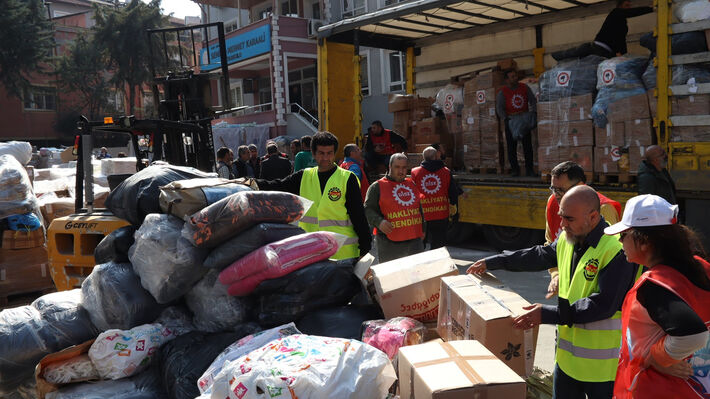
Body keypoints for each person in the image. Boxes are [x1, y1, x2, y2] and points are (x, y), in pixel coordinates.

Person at [467, 185, 640, 399]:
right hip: (567, 361)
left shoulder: (616, 250)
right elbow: (539, 255)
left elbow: (603, 305)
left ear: (593, 216)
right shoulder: (569, 239)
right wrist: (495, 261)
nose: (562, 224)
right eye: (561, 217)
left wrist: (546, 313)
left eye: (569, 219)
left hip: (604, 369)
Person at [604, 194, 710, 398]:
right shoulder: (701, 267)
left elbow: (693, 334)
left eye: (623, 235)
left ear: (644, 241)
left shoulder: (655, 285)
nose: (620, 242)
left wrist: (656, 358)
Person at [255, 131, 371, 260]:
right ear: (314, 154)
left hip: (344, 253)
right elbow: (277, 186)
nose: (326, 158)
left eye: (329, 153)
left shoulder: (347, 178)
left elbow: (358, 215)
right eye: (321, 153)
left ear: (335, 153)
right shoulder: (303, 176)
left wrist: (365, 248)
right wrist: (250, 182)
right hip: (311, 253)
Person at [546, 162, 623, 298]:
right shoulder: (553, 203)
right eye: (553, 189)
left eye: (561, 190)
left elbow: (613, 257)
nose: (557, 195)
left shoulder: (604, 209)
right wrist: (556, 274)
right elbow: (550, 243)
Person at [364, 153, 425, 263]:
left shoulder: (412, 184)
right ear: (389, 167)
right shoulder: (377, 187)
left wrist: (423, 230)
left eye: (404, 167)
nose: (401, 171)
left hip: (414, 242)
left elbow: (419, 209)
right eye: (397, 167)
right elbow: (368, 209)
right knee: (392, 277)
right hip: (389, 243)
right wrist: (379, 222)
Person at [552, 0, 653, 60]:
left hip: (604, 50)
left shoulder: (621, 22)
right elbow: (617, 36)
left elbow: (621, 39)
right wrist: (650, 9)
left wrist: (623, 55)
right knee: (572, 54)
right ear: (620, 5)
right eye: (627, 5)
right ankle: (556, 55)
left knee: (575, 54)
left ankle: (557, 55)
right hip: (599, 48)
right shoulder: (616, 13)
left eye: (629, 5)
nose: (629, 8)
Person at [410, 146, 461, 249]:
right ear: (436, 157)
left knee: (420, 242)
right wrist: (454, 209)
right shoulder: (446, 171)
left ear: (423, 158)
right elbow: (452, 192)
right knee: (438, 243)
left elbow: (412, 193)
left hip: (422, 214)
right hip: (441, 214)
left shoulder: (415, 172)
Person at [496, 69, 537, 177]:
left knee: (527, 146)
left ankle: (529, 170)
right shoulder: (502, 92)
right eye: (512, 77)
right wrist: (506, 119)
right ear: (507, 80)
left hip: (524, 119)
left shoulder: (524, 87)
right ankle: (515, 170)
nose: (515, 78)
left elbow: (532, 100)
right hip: (512, 121)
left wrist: (533, 113)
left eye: (515, 76)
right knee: (511, 147)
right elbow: (500, 108)